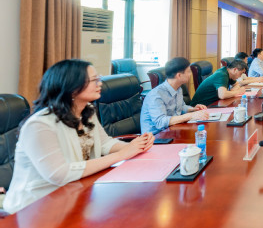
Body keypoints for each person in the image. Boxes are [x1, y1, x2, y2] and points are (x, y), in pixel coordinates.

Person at [3, 59, 155, 214]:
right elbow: (60, 174)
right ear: (72, 87)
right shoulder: (39, 125)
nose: (100, 84)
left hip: (75, 193)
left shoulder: (86, 111)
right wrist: (122, 155)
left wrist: (136, 146)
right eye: (94, 80)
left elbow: (104, 144)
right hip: (35, 207)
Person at [140, 57, 209, 134]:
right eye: (188, 71)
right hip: (156, 137)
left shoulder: (178, 88)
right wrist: (191, 116)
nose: (190, 74)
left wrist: (193, 109)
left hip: (173, 131)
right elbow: (160, 122)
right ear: (179, 75)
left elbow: (180, 107)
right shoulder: (156, 95)